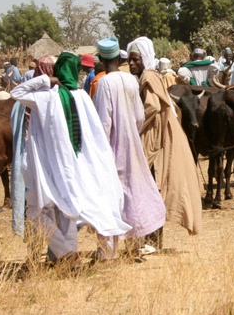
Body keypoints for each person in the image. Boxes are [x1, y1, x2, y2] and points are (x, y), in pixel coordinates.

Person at [11, 52, 130, 265]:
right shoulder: (82, 97)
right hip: (75, 168)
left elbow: (17, 91)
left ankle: (67, 254)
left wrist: (45, 81)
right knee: (68, 215)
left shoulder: (48, 96)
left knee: (38, 213)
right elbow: (94, 134)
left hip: (48, 168)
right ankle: (71, 260)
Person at [127, 37, 203, 247]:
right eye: (131, 60)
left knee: (152, 186)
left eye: (136, 60)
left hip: (156, 138)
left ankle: (152, 240)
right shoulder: (150, 76)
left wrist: (134, 128)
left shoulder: (148, 78)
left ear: (145, 59)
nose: (132, 64)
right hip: (160, 135)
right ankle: (152, 240)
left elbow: (151, 107)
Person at [93, 38, 166, 255]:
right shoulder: (130, 80)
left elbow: (104, 122)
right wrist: (133, 134)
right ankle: (135, 244)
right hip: (133, 144)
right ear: (119, 58)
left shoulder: (104, 83)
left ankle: (109, 251)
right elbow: (138, 116)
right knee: (134, 191)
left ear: (100, 60)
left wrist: (101, 150)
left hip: (112, 147)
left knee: (111, 196)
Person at [10, 55, 54, 238]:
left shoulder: (23, 101)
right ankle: (54, 250)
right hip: (47, 159)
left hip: (28, 158)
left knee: (33, 204)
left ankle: (34, 250)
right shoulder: (53, 97)